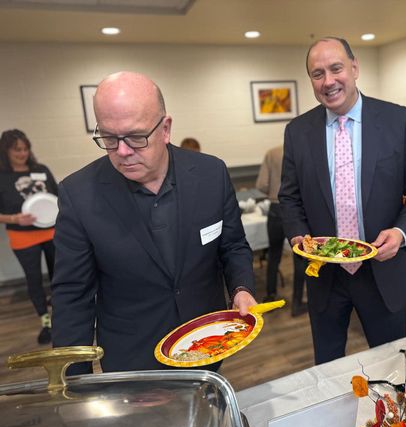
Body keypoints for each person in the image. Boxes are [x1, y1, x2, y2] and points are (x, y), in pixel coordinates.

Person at [51, 71, 257, 374]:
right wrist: (75, 385)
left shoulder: (211, 173)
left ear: (165, 128)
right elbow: (72, 297)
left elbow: (233, 245)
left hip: (205, 342)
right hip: (133, 358)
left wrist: (241, 287)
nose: (122, 151)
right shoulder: (78, 194)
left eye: (136, 137)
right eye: (109, 138)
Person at [279, 37, 406, 365]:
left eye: (336, 69)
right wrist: (298, 236)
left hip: (382, 269)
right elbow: (289, 198)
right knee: (327, 365)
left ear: (355, 67)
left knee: (392, 364)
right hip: (325, 274)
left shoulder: (397, 120)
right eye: (317, 74)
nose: (328, 81)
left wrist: (402, 233)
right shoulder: (297, 131)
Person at [0, 129, 58, 345]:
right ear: (6, 151)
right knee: (34, 280)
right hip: (22, 237)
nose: (22, 153)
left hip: (52, 232)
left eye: (25, 149)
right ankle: (46, 322)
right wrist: (15, 219)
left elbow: (57, 197)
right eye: (17, 150)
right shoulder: (2, 177)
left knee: (60, 275)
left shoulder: (41, 169)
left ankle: (61, 313)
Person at [256, 145, 307, 316]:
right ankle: (297, 303)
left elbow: (261, 184)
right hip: (298, 209)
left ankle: (270, 296)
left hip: (275, 208)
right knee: (300, 256)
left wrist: (274, 191)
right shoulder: (302, 151)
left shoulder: (272, 153)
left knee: (274, 253)